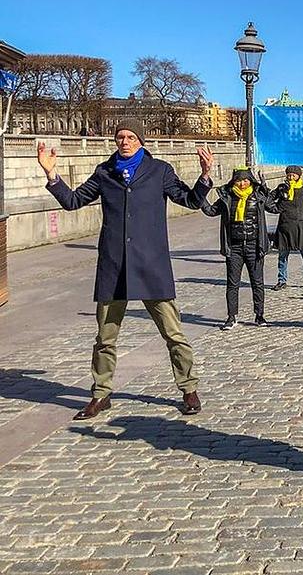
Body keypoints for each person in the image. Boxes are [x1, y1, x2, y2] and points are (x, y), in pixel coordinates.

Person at [37, 120, 213, 419]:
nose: (125, 141)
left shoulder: (160, 171)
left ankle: (189, 388)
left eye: (131, 137)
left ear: (141, 141)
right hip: (114, 265)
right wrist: (51, 173)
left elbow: (191, 201)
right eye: (120, 137)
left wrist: (205, 175)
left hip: (150, 264)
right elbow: (73, 201)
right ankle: (101, 393)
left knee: (173, 333)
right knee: (105, 337)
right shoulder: (105, 172)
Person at [201, 167, 275, 330]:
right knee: (232, 283)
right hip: (234, 246)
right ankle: (231, 316)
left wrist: (267, 189)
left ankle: (259, 315)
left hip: (254, 246)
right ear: (233, 182)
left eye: (245, 180)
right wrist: (200, 197)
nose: (242, 183)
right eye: (239, 180)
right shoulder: (227, 198)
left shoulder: (258, 196)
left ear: (251, 181)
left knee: (257, 282)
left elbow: (274, 208)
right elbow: (211, 211)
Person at [270, 165, 303, 290]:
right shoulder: (282, 188)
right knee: (283, 255)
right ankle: (281, 280)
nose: (291, 177)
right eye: (289, 175)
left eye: (293, 175)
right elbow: (270, 198)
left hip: (301, 224)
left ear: (298, 176)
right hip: (285, 225)